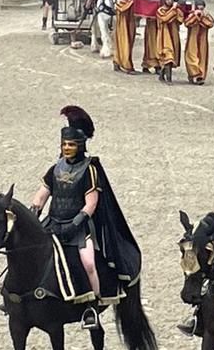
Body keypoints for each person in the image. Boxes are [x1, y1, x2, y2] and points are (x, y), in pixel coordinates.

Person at [29, 106, 142, 328]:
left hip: (79, 228)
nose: (67, 148)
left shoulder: (89, 169)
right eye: (64, 145)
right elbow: (42, 194)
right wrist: (34, 210)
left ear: (80, 146)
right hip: (53, 223)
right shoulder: (55, 168)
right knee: (30, 255)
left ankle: (92, 305)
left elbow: (91, 203)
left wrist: (76, 223)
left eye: (71, 145)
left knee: (89, 263)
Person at [156, 0, 184, 84]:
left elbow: (180, 20)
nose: (170, 1)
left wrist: (177, 11)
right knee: (168, 56)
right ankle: (169, 79)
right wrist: (173, 10)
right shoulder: (160, 11)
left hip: (174, 36)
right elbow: (165, 19)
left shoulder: (175, 10)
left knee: (172, 58)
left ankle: (161, 76)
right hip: (164, 37)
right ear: (164, 0)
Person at [183, 0, 214, 84]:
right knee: (191, 56)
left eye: (202, 8)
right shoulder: (191, 15)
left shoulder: (206, 15)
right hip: (192, 40)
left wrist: (202, 17)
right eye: (198, 8)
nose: (200, 10)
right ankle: (194, 74)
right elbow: (187, 23)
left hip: (203, 42)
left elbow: (210, 24)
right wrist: (195, 16)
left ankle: (200, 76)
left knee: (202, 58)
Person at [112, 0, 138, 74]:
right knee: (124, 44)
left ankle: (117, 62)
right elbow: (123, 8)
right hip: (122, 27)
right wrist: (131, 1)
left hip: (130, 25)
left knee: (129, 45)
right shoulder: (119, 2)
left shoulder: (130, 2)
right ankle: (127, 66)